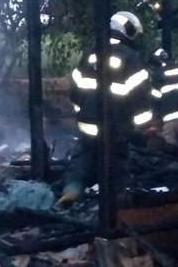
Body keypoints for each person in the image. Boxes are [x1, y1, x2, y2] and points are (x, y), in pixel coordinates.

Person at [57, 11, 153, 205]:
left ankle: (72, 190)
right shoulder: (130, 57)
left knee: (83, 159)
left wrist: (83, 113)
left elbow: (74, 92)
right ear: (127, 30)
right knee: (117, 165)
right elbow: (141, 97)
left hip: (87, 124)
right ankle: (114, 204)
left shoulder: (90, 53)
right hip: (115, 126)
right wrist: (142, 126)